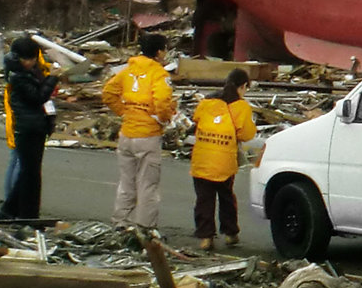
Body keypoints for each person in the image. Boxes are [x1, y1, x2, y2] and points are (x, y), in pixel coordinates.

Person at [103, 33, 175, 233]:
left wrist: (124, 112)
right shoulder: (159, 74)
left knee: (127, 181)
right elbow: (161, 102)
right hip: (148, 135)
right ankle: (145, 227)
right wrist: (162, 119)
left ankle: (121, 222)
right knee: (147, 184)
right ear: (159, 52)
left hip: (127, 133)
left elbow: (108, 93)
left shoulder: (128, 70)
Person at [190, 68, 258, 251]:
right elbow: (246, 134)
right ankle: (230, 233)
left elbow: (195, 119)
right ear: (243, 87)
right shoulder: (241, 107)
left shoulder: (206, 102)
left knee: (204, 199)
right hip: (224, 160)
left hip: (202, 158)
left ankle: (205, 238)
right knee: (226, 197)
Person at [0, 36, 58, 222]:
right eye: (29, 58)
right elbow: (37, 97)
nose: (32, 62)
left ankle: (9, 210)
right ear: (19, 58)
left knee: (28, 172)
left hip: (35, 127)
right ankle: (28, 215)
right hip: (28, 128)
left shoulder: (28, 72)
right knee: (30, 175)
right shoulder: (18, 76)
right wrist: (53, 78)